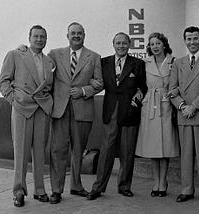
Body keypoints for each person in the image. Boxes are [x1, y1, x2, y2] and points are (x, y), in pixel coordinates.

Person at [86, 32, 147, 200]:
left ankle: (124, 186)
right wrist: (91, 82)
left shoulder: (138, 63)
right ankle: (98, 187)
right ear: (113, 44)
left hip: (130, 112)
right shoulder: (103, 62)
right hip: (110, 111)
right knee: (106, 151)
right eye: (118, 43)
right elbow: (95, 79)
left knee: (127, 152)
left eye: (124, 43)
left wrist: (137, 100)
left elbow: (143, 87)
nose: (121, 46)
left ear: (129, 44)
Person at [0, 25, 54, 207]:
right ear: (29, 38)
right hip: (22, 108)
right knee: (20, 152)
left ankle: (40, 190)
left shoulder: (49, 62)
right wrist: (13, 100)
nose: (39, 39)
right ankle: (19, 191)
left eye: (43, 37)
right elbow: (4, 81)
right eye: (36, 36)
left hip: (41, 109)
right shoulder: (15, 54)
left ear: (46, 39)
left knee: (40, 151)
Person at [48, 22, 103, 204]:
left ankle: (76, 186)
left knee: (78, 150)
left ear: (84, 35)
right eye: (73, 33)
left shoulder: (94, 57)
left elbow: (99, 83)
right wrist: (22, 49)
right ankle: (56, 190)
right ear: (67, 35)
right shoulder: (54, 54)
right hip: (60, 109)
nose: (76, 36)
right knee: (58, 150)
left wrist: (84, 90)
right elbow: (41, 67)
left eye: (79, 33)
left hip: (83, 110)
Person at [169, 26, 199, 204]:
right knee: (186, 156)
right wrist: (182, 106)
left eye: (195, 38)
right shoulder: (178, 62)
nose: (192, 42)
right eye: (189, 39)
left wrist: (194, 106)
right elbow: (172, 89)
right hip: (183, 114)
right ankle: (186, 190)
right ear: (184, 41)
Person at [135, 32, 179, 197]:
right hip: (150, 105)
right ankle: (156, 181)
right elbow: (139, 84)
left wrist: (174, 92)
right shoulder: (144, 63)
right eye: (152, 44)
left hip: (167, 104)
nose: (154, 46)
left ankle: (163, 181)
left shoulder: (173, 62)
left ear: (164, 45)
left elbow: (180, 82)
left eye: (158, 43)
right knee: (153, 146)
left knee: (165, 145)